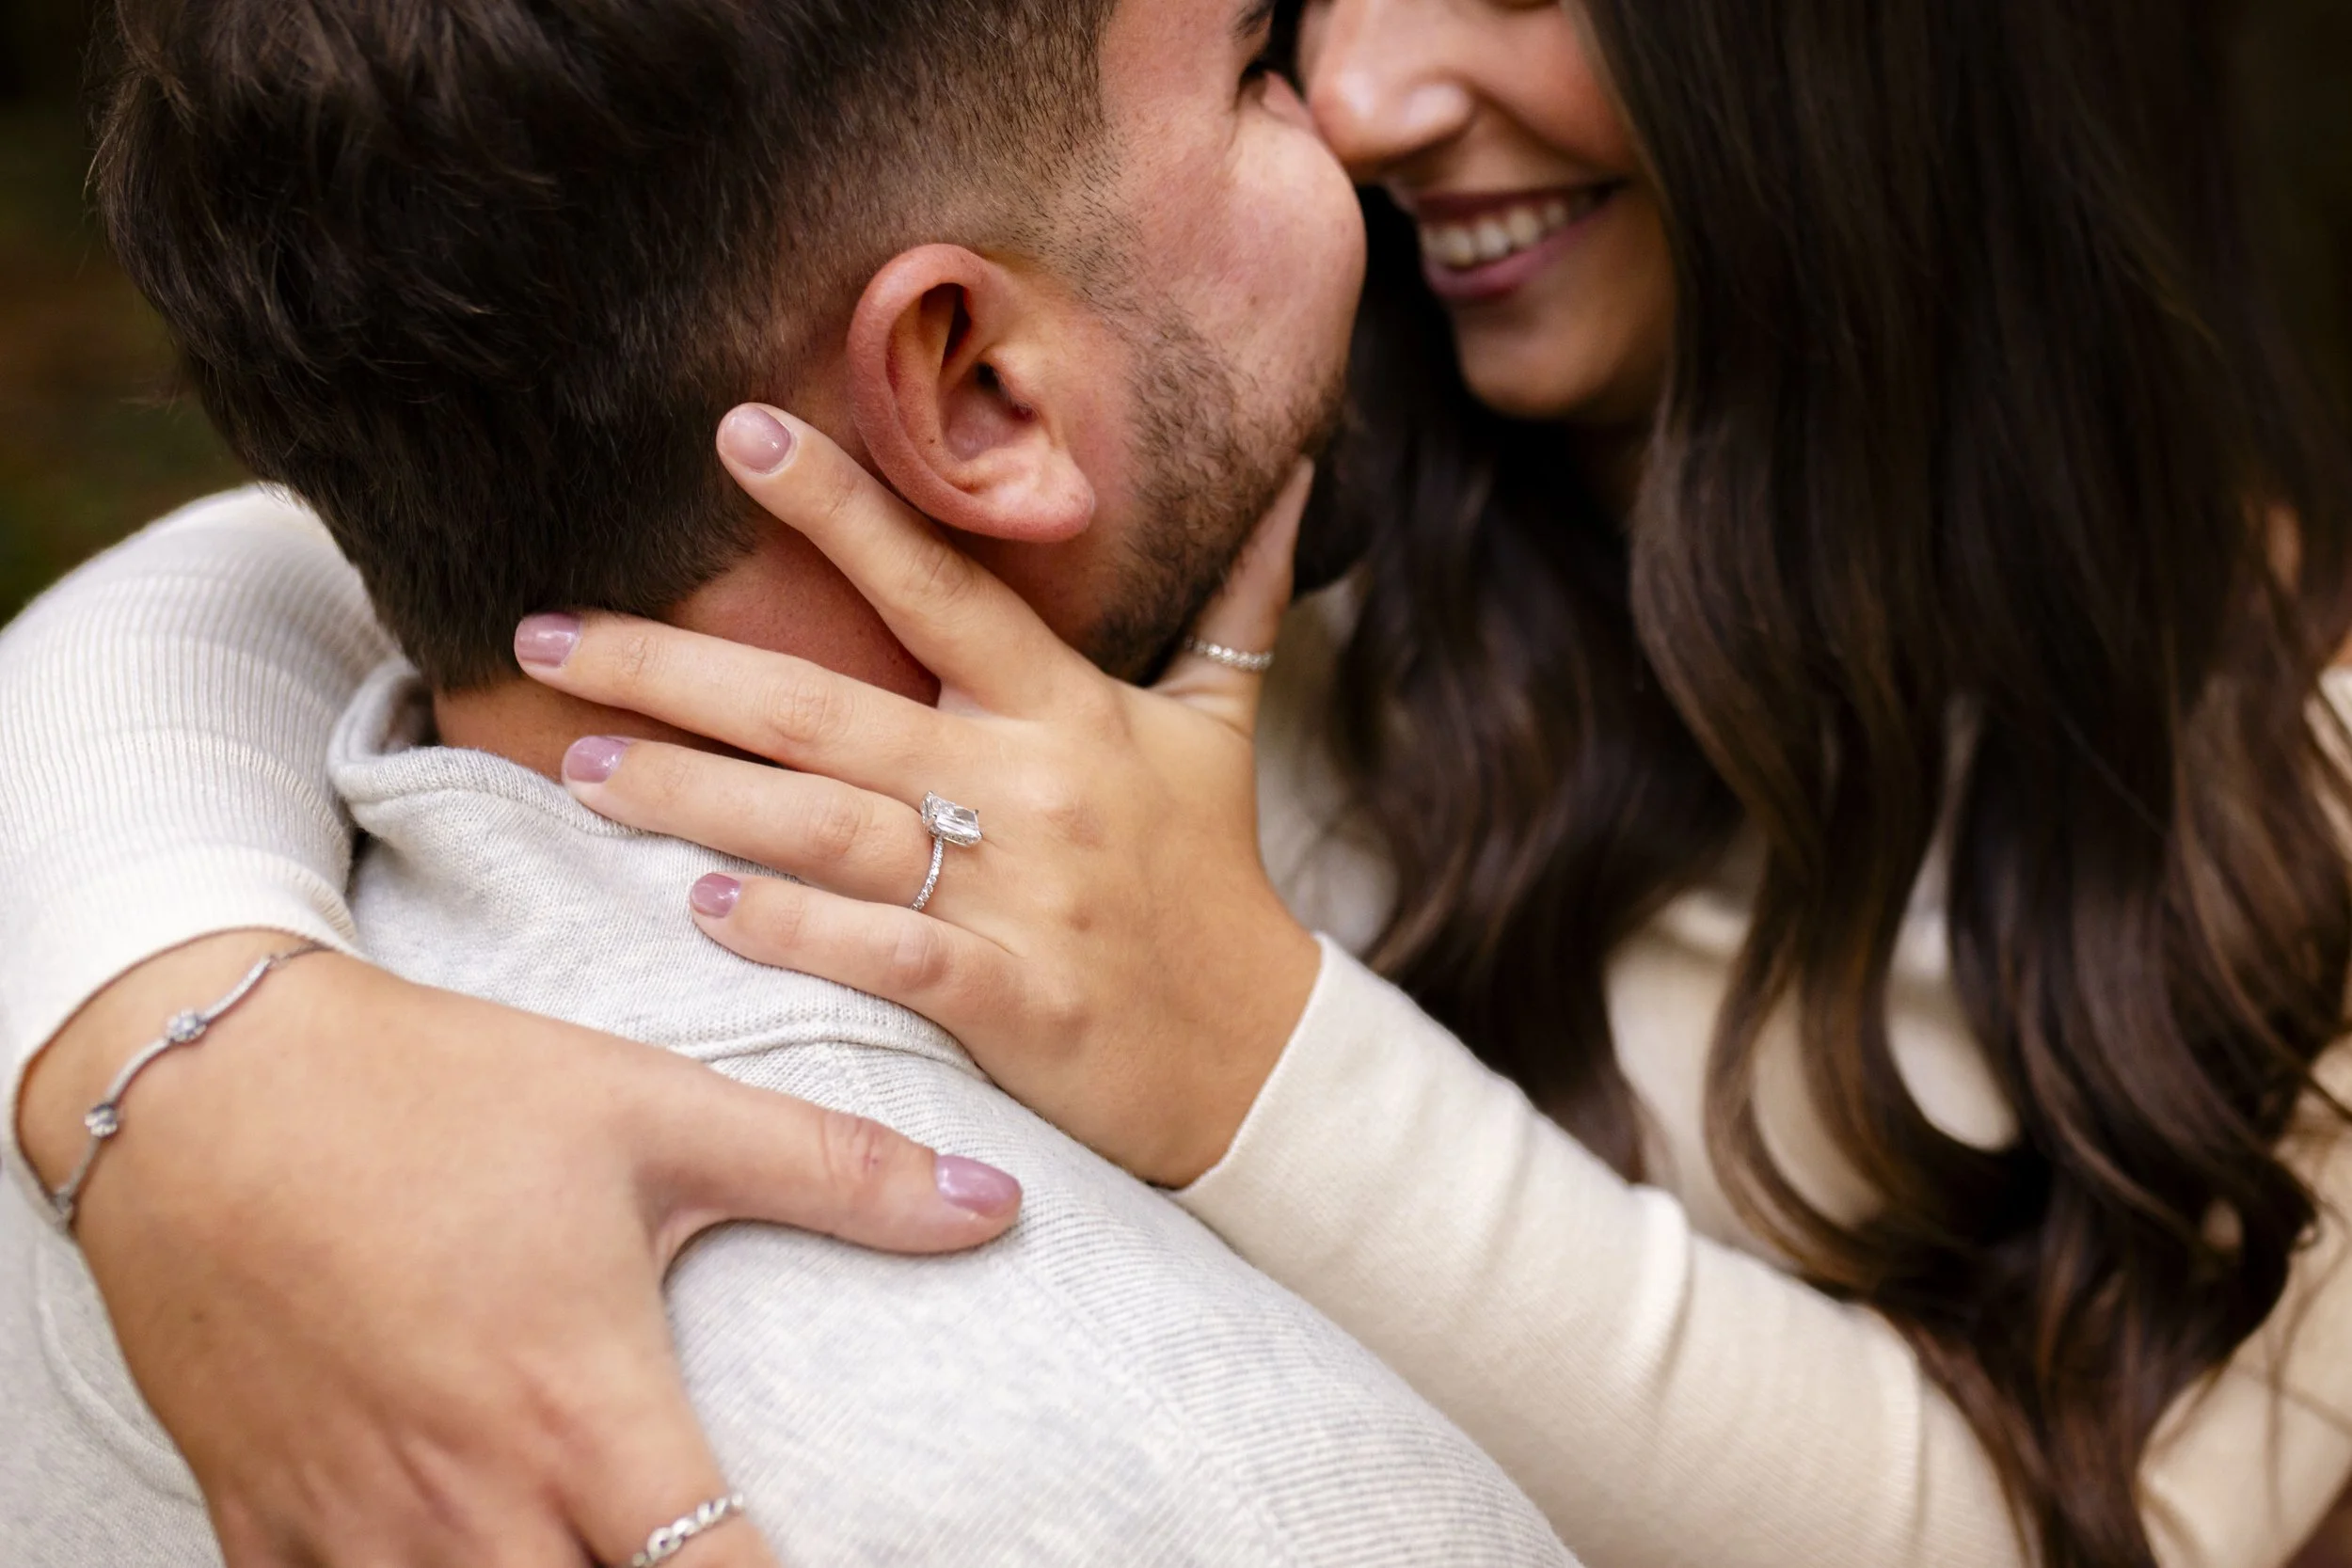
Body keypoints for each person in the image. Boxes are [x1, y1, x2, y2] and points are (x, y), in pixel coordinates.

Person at [5, 0, 2347, 1565]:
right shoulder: (1278, 432)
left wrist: (1251, 1051)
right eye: (1289, 11)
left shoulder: (2296, 768)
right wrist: (182, 1038)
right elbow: (411, 531)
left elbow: (2121, 1531)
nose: (1366, 80)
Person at [0, 0, 1577, 1563]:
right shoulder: (1280, 1497)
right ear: (977, 391)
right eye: (1254, 70)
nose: (1351, 110)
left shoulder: (73, 1016)